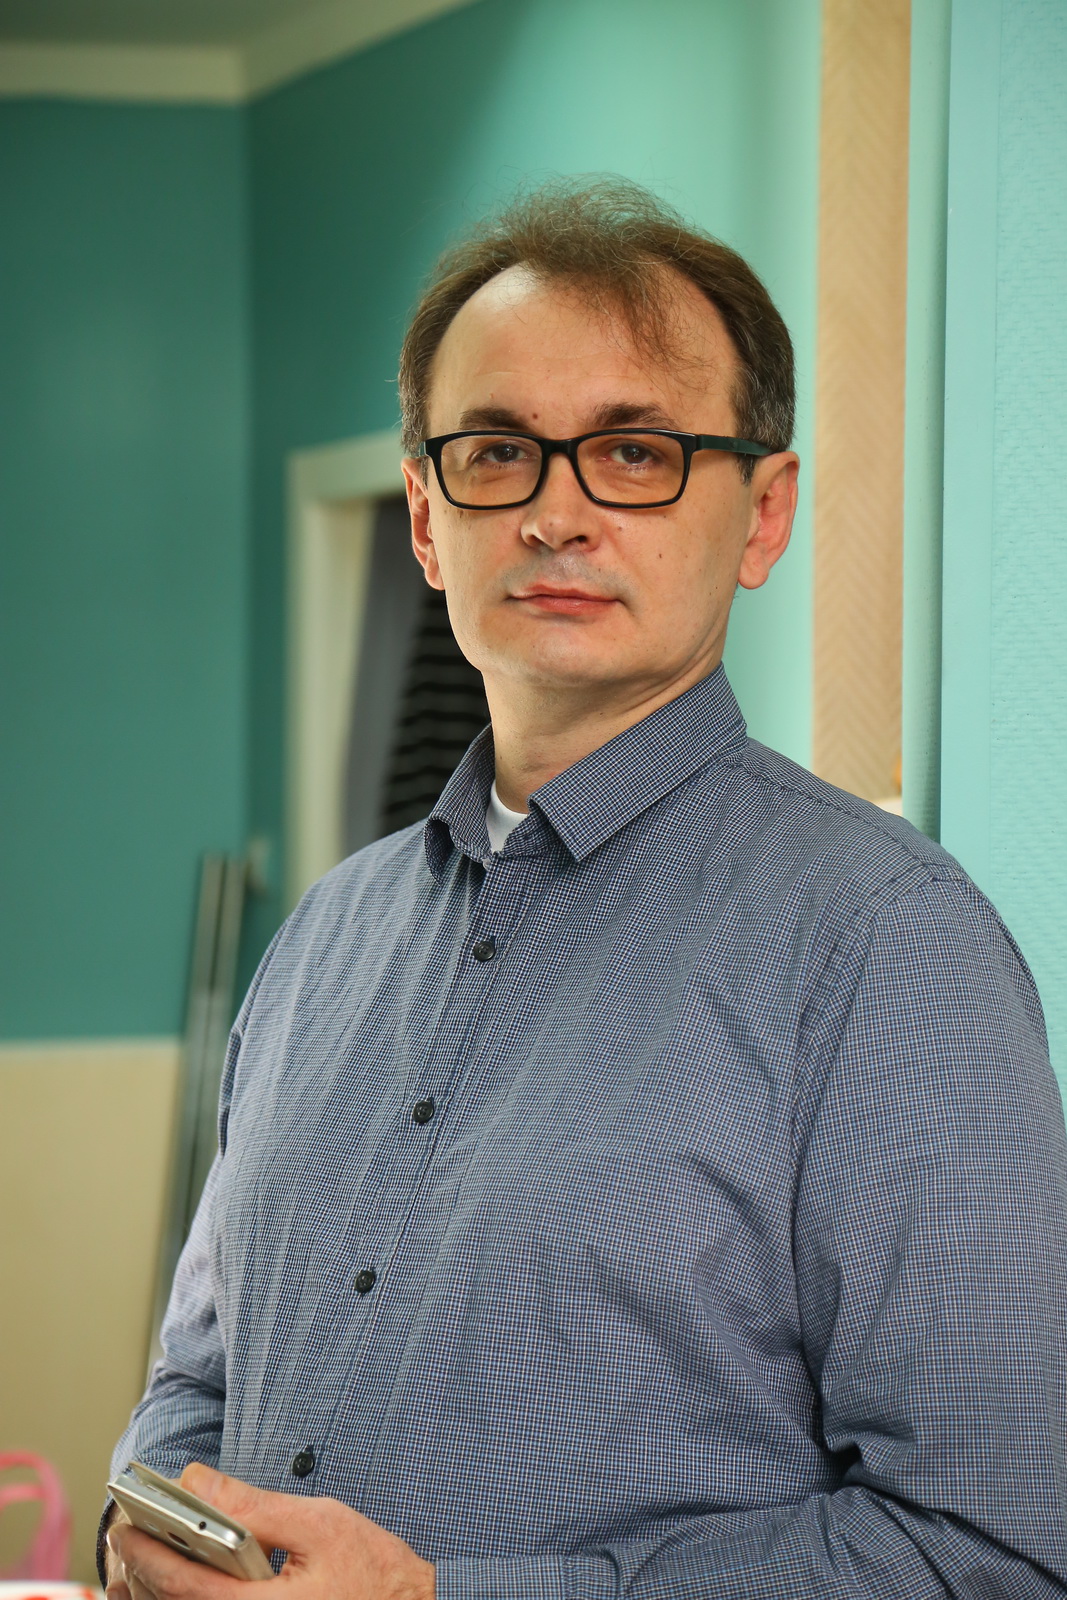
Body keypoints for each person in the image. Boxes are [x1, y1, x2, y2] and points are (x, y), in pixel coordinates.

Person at [104, 179, 1067, 1600]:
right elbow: (199, 1382)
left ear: (765, 516)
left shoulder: (888, 949)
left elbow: (988, 1550)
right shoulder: (325, 936)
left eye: (634, 452)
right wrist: (149, 1520)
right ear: (426, 519)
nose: (557, 513)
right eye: (497, 452)